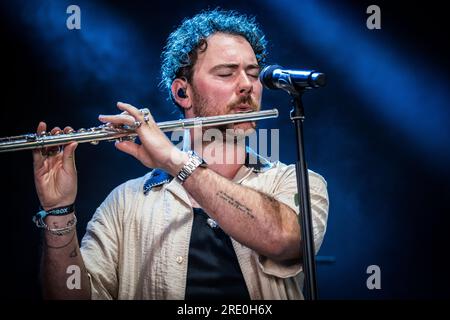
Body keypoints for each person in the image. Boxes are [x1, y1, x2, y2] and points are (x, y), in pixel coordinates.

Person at [33, 9, 329, 300]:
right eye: (226, 73)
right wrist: (59, 212)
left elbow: (285, 239)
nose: (247, 85)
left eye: (253, 74)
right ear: (182, 93)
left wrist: (174, 160)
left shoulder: (296, 182)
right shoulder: (125, 203)